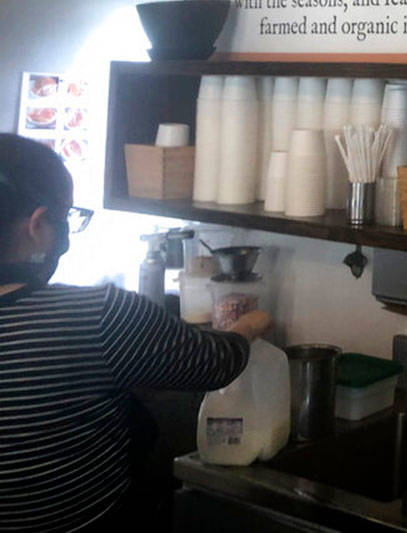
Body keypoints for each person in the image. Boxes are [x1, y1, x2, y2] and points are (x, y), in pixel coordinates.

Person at [0, 134, 270, 532]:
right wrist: (249, 324)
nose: (68, 240)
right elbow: (215, 363)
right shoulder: (96, 316)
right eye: (67, 220)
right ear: (38, 225)